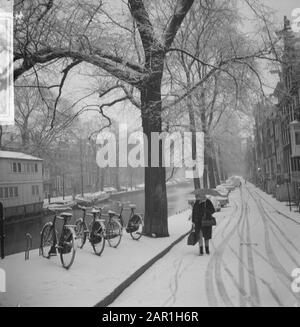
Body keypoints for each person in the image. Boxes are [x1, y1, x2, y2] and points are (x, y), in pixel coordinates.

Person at [192, 191, 215, 256]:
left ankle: (207, 249)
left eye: (198, 196)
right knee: (199, 236)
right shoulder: (196, 203)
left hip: (206, 222)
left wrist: (206, 211)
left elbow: (213, 210)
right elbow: (194, 212)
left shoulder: (208, 202)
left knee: (206, 237)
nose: (196, 197)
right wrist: (193, 222)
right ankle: (201, 250)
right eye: (196, 196)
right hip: (198, 222)